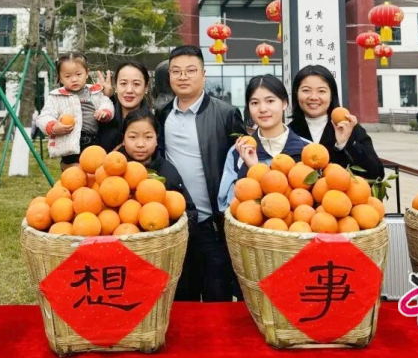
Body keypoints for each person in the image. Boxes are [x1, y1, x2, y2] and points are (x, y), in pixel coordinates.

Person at [156, 45, 245, 302]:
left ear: (203, 74)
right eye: (176, 71)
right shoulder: (162, 115)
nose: (183, 77)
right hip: (177, 225)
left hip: (214, 228)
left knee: (218, 302)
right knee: (183, 302)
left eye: (190, 70)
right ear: (169, 76)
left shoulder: (226, 114)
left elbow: (240, 167)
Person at [218, 75, 310, 210]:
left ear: (284, 103)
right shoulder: (238, 151)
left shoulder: (307, 149)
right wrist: (250, 168)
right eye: (255, 103)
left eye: (270, 101)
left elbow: (317, 199)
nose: (262, 109)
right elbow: (226, 206)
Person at [288, 65, 384, 181]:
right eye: (306, 90)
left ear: (331, 96)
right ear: (296, 94)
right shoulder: (289, 132)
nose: (313, 97)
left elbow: (376, 174)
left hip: (340, 192)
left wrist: (345, 143)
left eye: (321, 91)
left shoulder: (349, 128)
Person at [118, 109, 197, 236]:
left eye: (148, 137)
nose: (140, 144)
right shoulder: (114, 172)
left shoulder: (167, 172)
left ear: (156, 140)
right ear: (123, 139)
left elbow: (189, 212)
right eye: (132, 137)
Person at [37, 53, 114, 171]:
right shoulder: (56, 97)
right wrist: (53, 127)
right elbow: (44, 117)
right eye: (67, 76)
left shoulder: (95, 92)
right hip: (70, 144)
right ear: (60, 78)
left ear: (87, 73)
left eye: (78, 74)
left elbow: (106, 102)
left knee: (95, 168)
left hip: (93, 140)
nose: (74, 79)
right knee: (75, 173)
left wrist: (105, 112)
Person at [97, 61, 151, 152]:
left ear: (146, 87)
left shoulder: (153, 123)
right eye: (123, 83)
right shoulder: (102, 116)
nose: (129, 90)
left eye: (136, 84)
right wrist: (105, 99)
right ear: (115, 86)